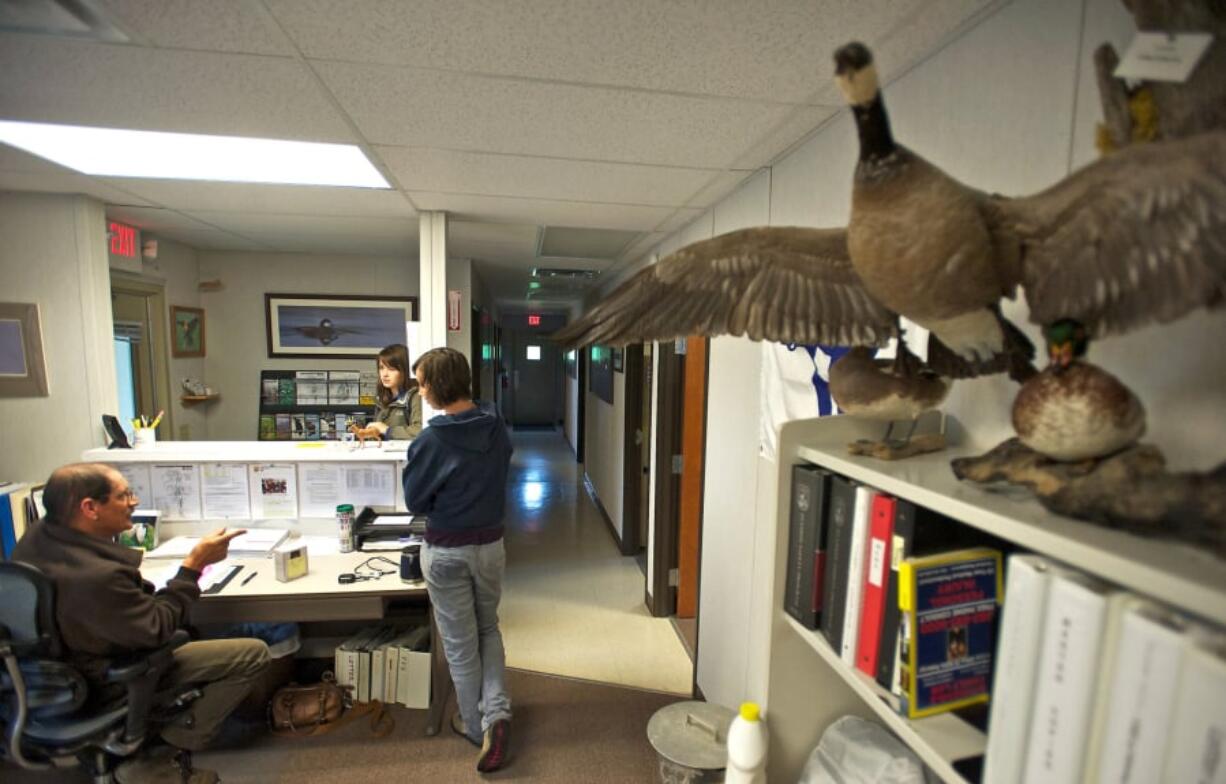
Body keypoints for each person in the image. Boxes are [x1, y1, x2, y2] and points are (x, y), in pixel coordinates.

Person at [13, 463, 270, 784]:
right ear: (90, 508)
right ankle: (155, 757)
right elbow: (158, 628)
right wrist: (193, 566)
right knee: (251, 653)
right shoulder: (98, 577)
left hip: (45, 680)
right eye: (124, 496)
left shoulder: (39, 538)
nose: (134, 502)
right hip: (105, 679)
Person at [403, 347, 513, 773]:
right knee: (488, 628)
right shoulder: (496, 426)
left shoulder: (430, 440)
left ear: (438, 386)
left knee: (460, 646)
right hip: (491, 548)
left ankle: (473, 723)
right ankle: (498, 716)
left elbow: (416, 500)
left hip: (447, 550)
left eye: (423, 381)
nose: (420, 389)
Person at [351, 343, 423, 442]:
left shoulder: (416, 396)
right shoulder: (382, 398)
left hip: (405, 456)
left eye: (391, 369)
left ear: (405, 371)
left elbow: (421, 431)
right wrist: (370, 433)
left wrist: (388, 430)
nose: (385, 374)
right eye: (381, 368)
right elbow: (380, 431)